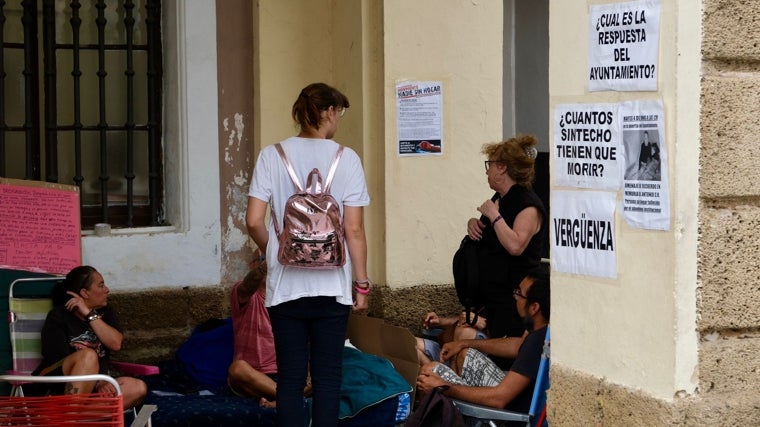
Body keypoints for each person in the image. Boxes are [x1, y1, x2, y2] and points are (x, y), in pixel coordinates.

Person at [246, 82, 371, 427]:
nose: (339, 120)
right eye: (339, 112)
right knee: (328, 379)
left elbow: (253, 220)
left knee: (289, 380)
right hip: (333, 288)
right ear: (328, 112)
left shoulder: (272, 155)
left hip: (286, 289)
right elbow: (355, 230)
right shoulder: (347, 159)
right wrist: (361, 285)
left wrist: (273, 250)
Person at [415, 266, 549, 414]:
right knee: (465, 353)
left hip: (510, 413)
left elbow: (499, 399)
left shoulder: (537, 341)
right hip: (510, 394)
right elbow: (516, 346)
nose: (515, 297)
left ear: (534, 308)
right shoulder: (542, 330)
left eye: (520, 294)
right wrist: (463, 343)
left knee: (428, 372)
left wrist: (444, 386)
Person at [467, 134, 546, 347]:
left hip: (513, 302)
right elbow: (492, 233)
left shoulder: (527, 205)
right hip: (492, 298)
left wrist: (494, 215)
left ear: (502, 168)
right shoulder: (499, 199)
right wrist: (474, 223)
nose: (487, 171)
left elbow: (515, 245)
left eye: (490, 164)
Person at [32, 265, 147, 409]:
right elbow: (58, 362)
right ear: (85, 293)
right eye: (101, 285)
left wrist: (89, 314)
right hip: (58, 387)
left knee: (137, 387)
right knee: (87, 356)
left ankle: (71, 419)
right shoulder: (58, 317)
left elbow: (115, 344)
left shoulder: (106, 313)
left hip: (93, 390)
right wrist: (98, 382)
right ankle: (71, 416)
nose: (107, 290)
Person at [227, 252, 312, 408]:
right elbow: (247, 286)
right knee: (237, 369)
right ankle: (291, 399)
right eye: (262, 260)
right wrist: (268, 262)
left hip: (286, 374)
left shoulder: (290, 298)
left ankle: (279, 399)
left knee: (326, 368)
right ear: (252, 266)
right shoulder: (242, 292)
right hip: (252, 376)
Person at [415, 310, 488, 366]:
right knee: (409, 343)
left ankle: (447, 379)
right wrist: (440, 322)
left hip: (475, 358)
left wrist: (485, 324)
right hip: (446, 351)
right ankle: (435, 373)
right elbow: (465, 319)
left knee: (466, 331)